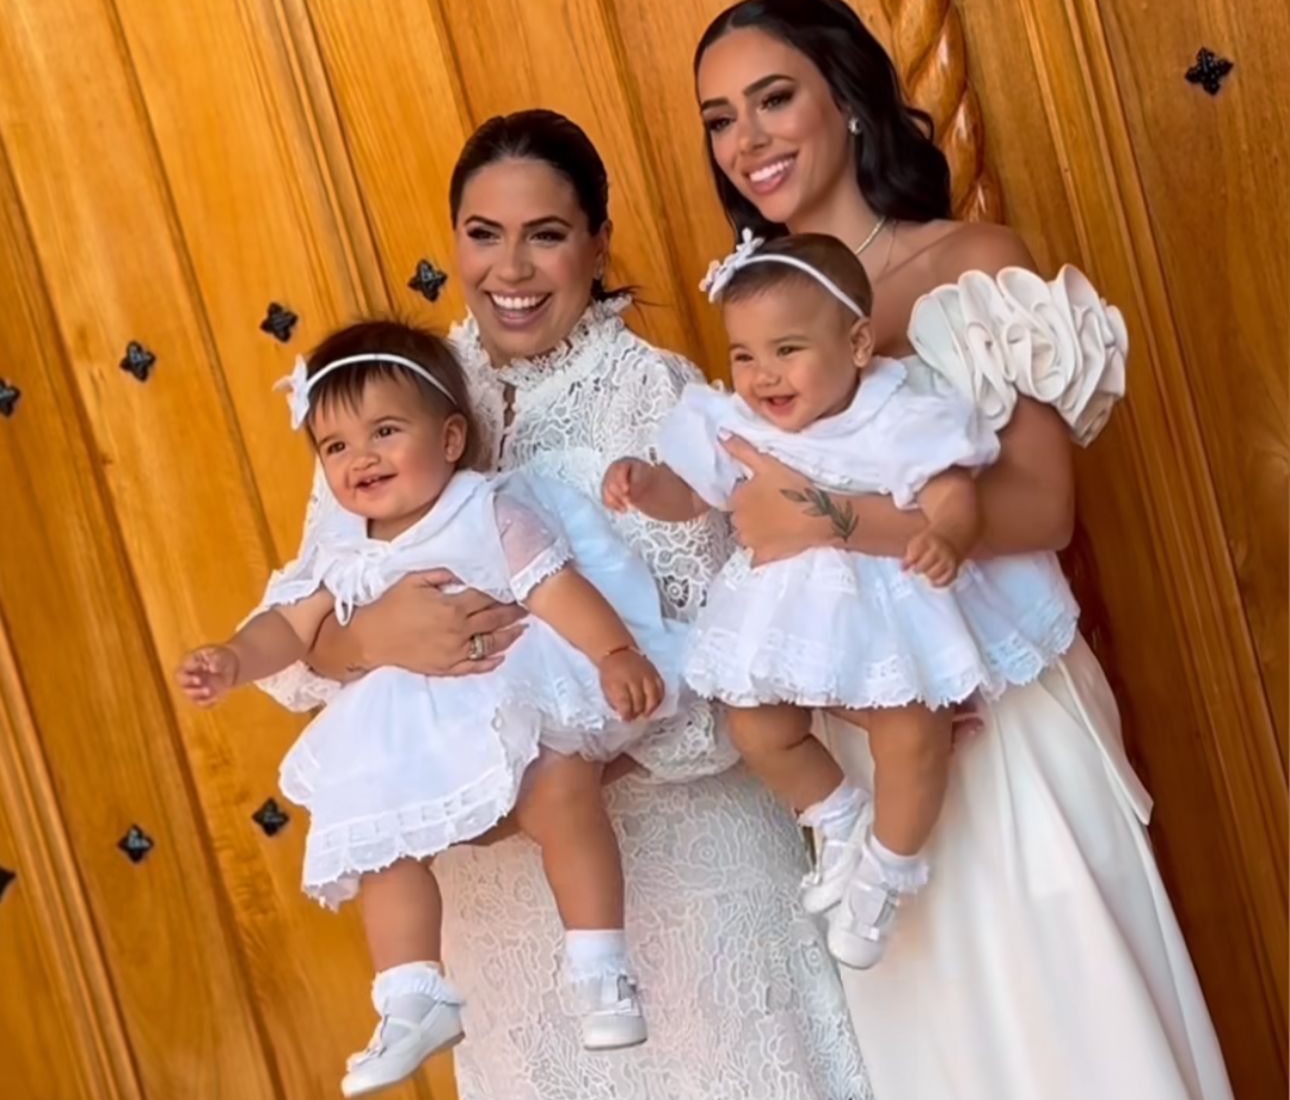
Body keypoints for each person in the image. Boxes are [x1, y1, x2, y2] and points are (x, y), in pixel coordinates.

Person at [690, 0, 1233, 1100]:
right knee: (941, 1038)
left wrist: (840, 520)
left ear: (847, 101)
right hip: (864, 735)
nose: (745, 140)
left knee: (1069, 1016)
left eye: (771, 98)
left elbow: (1043, 507)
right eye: (718, 118)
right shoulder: (761, 319)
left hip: (1004, 705)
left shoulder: (968, 262)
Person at [258, 110, 870, 1100]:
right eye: (483, 233)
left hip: (682, 875)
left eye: (545, 233)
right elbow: (293, 647)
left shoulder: (663, 398)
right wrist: (366, 641)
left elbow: (744, 664)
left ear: (596, 243)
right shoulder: (385, 400)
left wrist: (544, 777)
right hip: (500, 923)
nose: (513, 267)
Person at [178, 318, 689, 1094]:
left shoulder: (485, 510)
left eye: (385, 431)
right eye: (336, 446)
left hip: (513, 696)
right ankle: (412, 994)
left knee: (562, 791)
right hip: (414, 723)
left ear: (451, 439)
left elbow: (554, 589)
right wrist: (233, 659)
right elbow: (289, 627)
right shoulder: (343, 551)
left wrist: (613, 653)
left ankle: (601, 965)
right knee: (381, 841)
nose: (361, 459)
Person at [606, 229, 1091, 971]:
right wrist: (647, 487)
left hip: (884, 606)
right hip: (791, 609)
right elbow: (694, 493)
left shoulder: (892, 414)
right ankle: (837, 814)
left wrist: (949, 536)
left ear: (859, 344)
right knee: (756, 723)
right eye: (744, 355)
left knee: (912, 735)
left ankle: (890, 869)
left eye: (787, 350)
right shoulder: (732, 421)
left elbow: (952, 491)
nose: (762, 375)